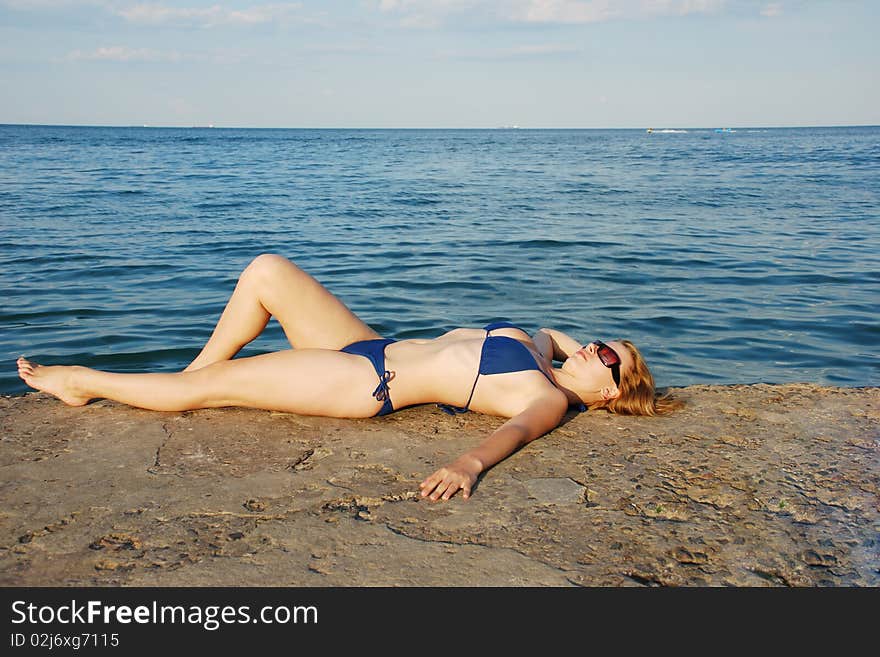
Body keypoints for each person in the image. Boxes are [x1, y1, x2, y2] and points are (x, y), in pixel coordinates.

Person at [16, 254, 680, 502]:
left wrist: (467, 466)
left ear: (614, 390)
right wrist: (585, 354)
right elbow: (555, 332)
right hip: (367, 342)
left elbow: (513, 432)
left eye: (606, 353)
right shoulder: (543, 352)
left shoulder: (542, 395)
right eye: (598, 340)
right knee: (266, 272)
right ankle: (186, 379)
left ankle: (85, 380)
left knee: (212, 390)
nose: (590, 345)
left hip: (365, 384)